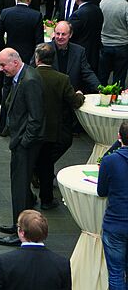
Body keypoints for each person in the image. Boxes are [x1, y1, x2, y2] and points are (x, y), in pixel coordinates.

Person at [0, 48, 44, 246]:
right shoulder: (21, 76)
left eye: (3, 65)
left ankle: (22, 232)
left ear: (15, 62)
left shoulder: (30, 81)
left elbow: (36, 116)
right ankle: (19, 224)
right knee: (19, 185)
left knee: (20, 187)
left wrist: (25, 141)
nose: (1, 69)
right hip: (20, 140)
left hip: (26, 143)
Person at [33, 43, 85, 211]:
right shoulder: (62, 79)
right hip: (53, 129)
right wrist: (80, 95)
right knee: (47, 163)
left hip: (33, 128)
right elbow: (74, 101)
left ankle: (30, 195)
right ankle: (46, 199)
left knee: (34, 161)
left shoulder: (29, 76)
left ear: (37, 58)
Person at [98, 120, 128, 290]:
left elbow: (101, 191)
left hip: (115, 225)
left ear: (119, 137)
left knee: (116, 273)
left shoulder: (110, 161)